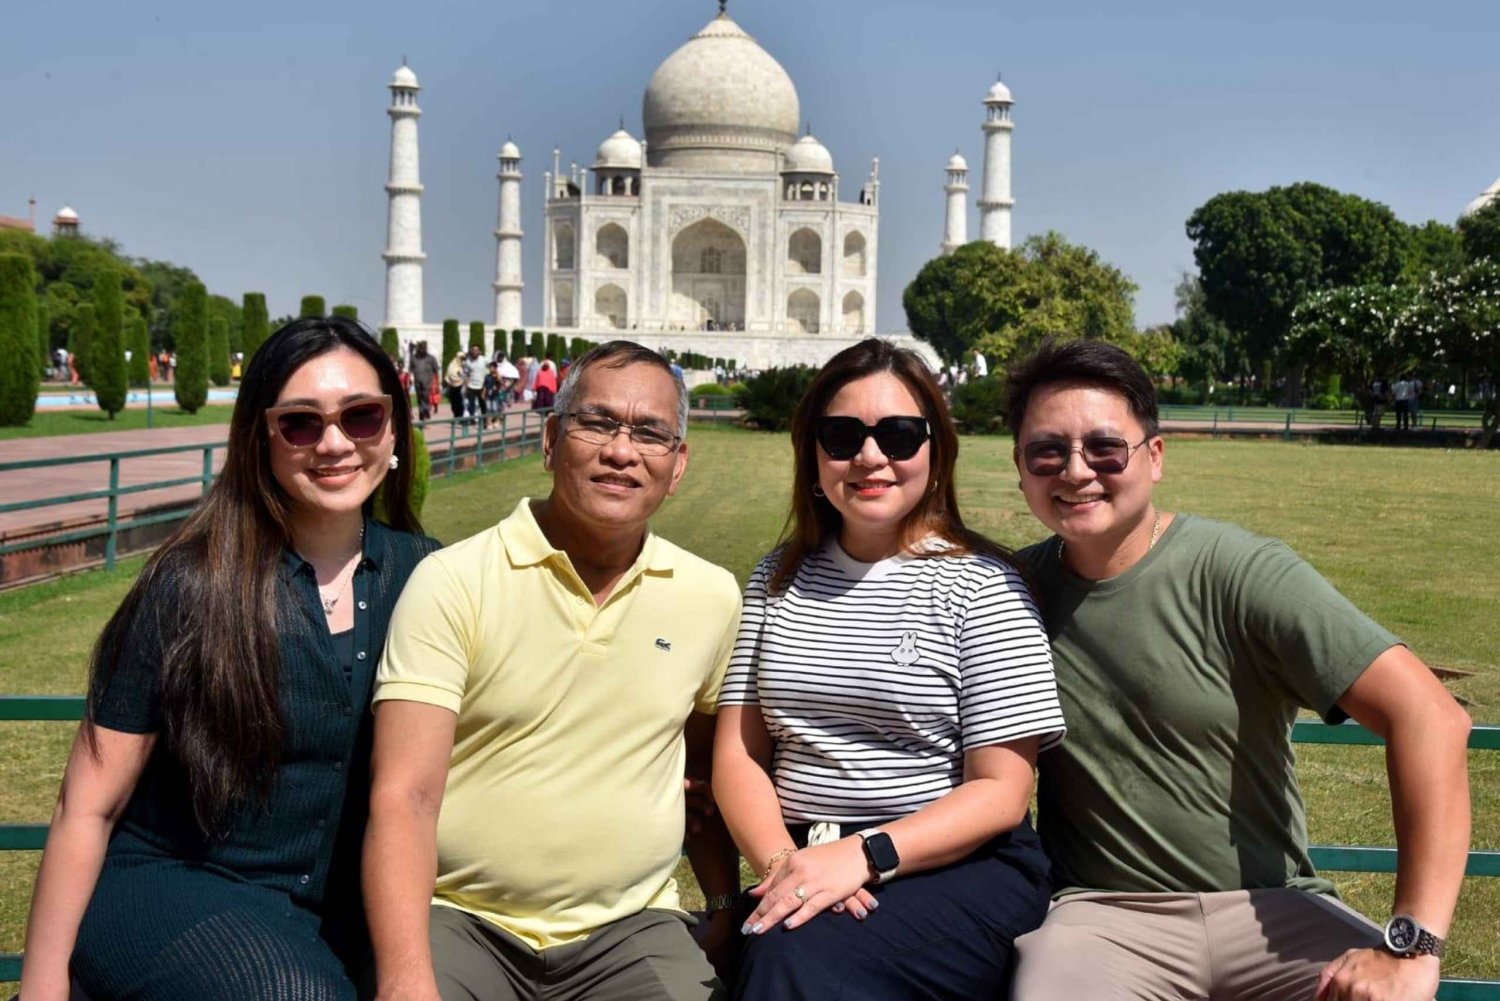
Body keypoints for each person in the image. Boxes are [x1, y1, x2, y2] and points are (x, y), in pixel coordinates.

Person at [1003, 338, 1471, 1001]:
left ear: (1154, 456)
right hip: (1103, 920)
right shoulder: (1008, 595)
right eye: (1047, 452)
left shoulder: (1241, 571)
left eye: (1105, 448)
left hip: (1271, 909)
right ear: (1021, 470)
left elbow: (1429, 714)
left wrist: (1413, 944)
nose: (1076, 471)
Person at [18, 316, 438, 1001]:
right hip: (178, 884)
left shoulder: (429, 578)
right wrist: (41, 990)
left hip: (335, 910)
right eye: (300, 423)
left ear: (393, 429)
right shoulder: (191, 583)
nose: (335, 443)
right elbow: (88, 804)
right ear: (260, 439)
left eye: (361, 416)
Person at [364, 340, 742, 1001]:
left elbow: (703, 778)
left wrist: (723, 906)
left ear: (677, 464)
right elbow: (405, 796)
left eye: (650, 433)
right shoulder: (455, 581)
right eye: (596, 423)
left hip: (631, 925)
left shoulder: (708, 596)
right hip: (462, 915)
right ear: (550, 439)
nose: (620, 451)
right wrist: (405, 980)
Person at [714, 338, 1065, 1001]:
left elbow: (1001, 791)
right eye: (843, 435)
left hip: (955, 864)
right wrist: (788, 864)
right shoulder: (777, 578)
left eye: (899, 435)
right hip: (806, 853)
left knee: (793, 959)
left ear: (934, 453)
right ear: (813, 456)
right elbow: (740, 751)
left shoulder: (984, 587)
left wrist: (863, 855)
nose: (871, 456)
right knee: (789, 943)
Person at [409, 341, 440, 421]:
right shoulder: (414, 358)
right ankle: (421, 415)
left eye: (424, 348)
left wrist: (436, 382)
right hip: (417, 382)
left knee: (425, 397)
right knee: (419, 399)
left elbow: (436, 370)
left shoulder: (431, 358)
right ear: (418, 349)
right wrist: (410, 378)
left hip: (428, 383)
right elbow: (411, 369)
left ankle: (425, 410)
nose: (423, 350)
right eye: (421, 348)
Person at [462, 344, 486, 422]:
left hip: (481, 385)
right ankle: (472, 420)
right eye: (473, 350)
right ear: (471, 351)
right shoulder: (467, 361)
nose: (475, 352)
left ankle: (485, 419)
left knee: (482, 403)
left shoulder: (484, 360)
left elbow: (492, 368)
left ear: (479, 352)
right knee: (471, 404)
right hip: (471, 386)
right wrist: (465, 387)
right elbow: (466, 374)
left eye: (477, 350)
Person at [443, 350, 465, 420]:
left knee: (461, 402)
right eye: (461, 358)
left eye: (463, 358)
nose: (462, 360)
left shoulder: (463, 365)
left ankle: (460, 417)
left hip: (461, 386)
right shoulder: (452, 365)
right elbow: (451, 375)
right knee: (454, 403)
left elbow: (465, 375)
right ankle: (456, 416)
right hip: (452, 386)